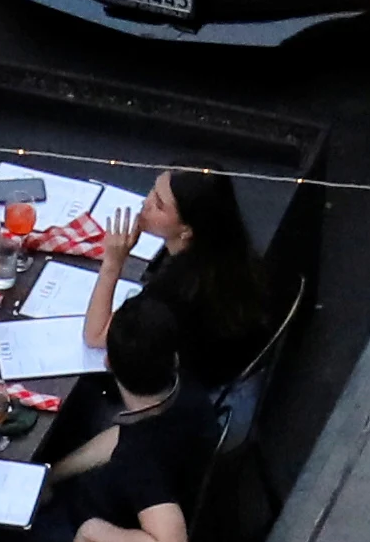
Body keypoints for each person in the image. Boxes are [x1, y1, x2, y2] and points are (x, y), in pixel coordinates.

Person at [76, 168, 282, 452]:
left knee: (86, 409)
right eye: (152, 190)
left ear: (186, 230)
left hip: (214, 415)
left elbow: (96, 335)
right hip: (242, 383)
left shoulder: (174, 291)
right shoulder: (229, 254)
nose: (146, 202)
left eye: (159, 204)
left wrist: (112, 262)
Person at [35, 301, 212, 542]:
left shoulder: (140, 461)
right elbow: (121, 436)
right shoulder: (182, 387)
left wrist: (94, 530)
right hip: (152, 485)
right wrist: (52, 474)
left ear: (108, 363)